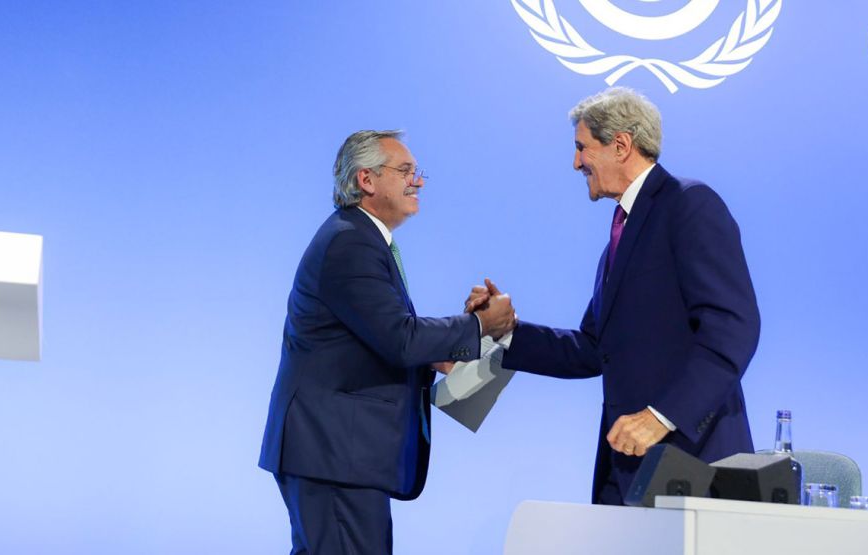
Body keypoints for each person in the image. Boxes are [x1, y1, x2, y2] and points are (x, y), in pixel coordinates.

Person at [467, 88, 760, 505]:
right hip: (625, 467)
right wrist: (507, 331)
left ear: (621, 145)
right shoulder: (622, 234)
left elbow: (733, 327)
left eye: (582, 148)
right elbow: (593, 349)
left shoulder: (689, 205)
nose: (575, 163)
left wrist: (662, 416)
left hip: (691, 463)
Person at [259, 130, 517, 554]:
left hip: (335, 454)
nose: (417, 181)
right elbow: (399, 338)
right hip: (333, 453)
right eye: (405, 171)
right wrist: (478, 327)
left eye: (417, 172)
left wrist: (448, 348)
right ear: (367, 180)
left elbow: (380, 335)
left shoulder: (359, 238)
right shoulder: (350, 241)